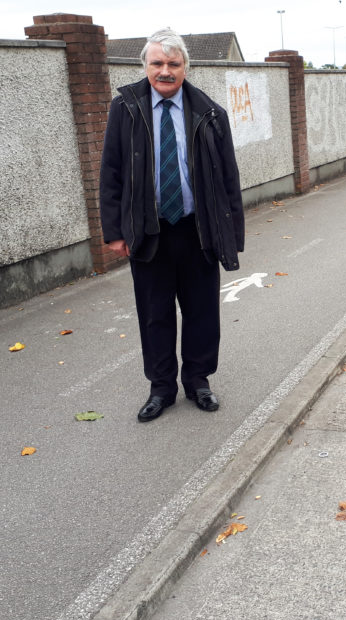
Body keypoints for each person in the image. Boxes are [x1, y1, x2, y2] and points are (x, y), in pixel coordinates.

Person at [100, 28, 245, 422]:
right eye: (157, 63)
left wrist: (232, 231)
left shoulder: (210, 112)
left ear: (185, 67)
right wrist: (113, 231)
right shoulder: (125, 108)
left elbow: (228, 176)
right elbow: (111, 171)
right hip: (149, 230)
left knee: (202, 310)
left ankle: (198, 381)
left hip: (198, 228)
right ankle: (161, 388)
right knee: (155, 312)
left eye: (173, 64)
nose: (165, 71)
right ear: (145, 66)